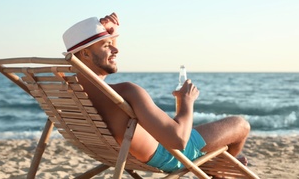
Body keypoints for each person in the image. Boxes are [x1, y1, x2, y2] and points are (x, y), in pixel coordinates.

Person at [62, 12, 251, 172]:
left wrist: (109, 34)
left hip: (118, 154)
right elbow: (178, 141)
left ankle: (214, 165)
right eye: (106, 45)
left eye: (113, 42)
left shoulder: (68, 91)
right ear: (85, 54)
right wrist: (186, 101)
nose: (116, 49)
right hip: (169, 156)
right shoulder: (127, 91)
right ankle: (216, 170)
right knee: (240, 125)